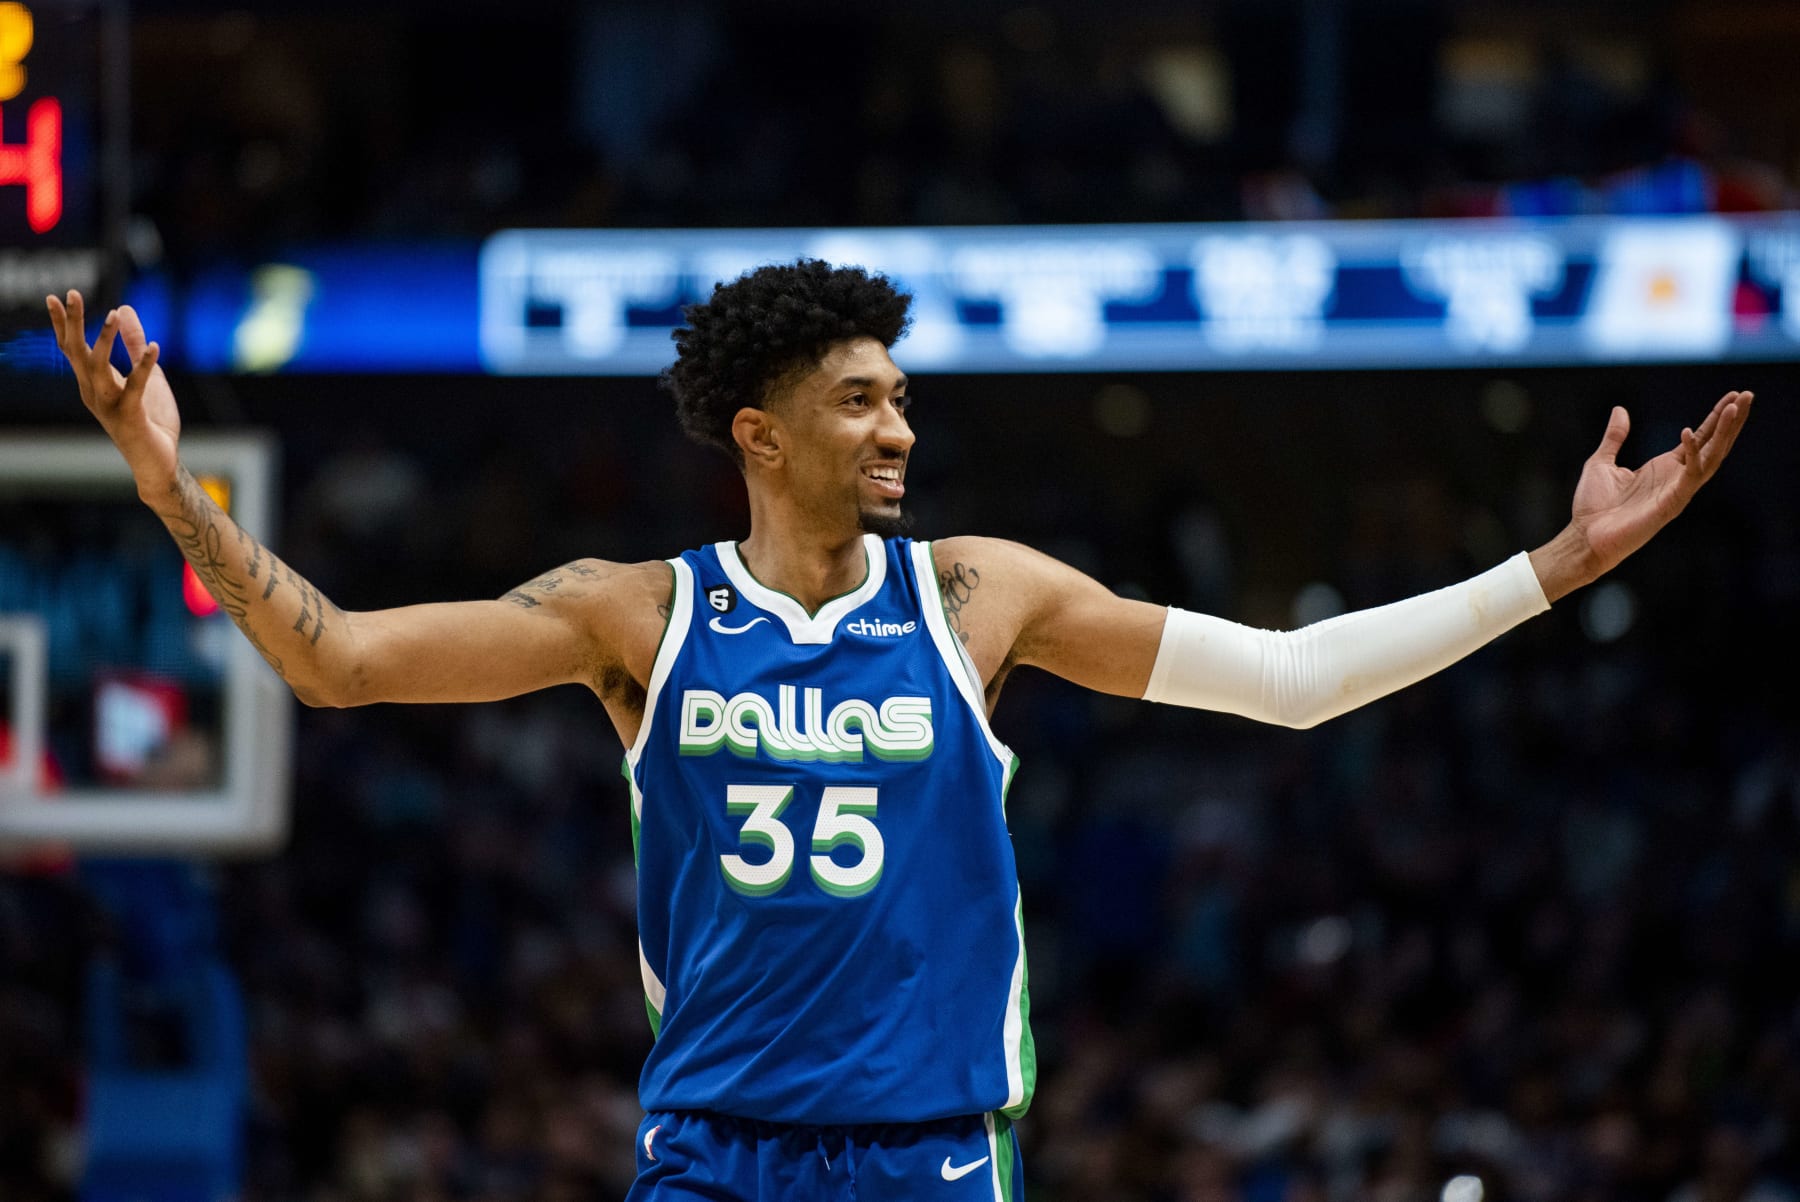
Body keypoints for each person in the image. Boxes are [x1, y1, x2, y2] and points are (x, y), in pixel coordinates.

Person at [45, 260, 1753, 1202]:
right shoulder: (631, 613)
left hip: (929, 1150)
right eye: (861, 398)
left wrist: (1553, 565)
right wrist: (163, 482)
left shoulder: (975, 593)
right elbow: (335, 660)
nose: (899, 428)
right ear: (759, 433)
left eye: (903, 395)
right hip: (709, 1149)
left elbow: (1289, 680)